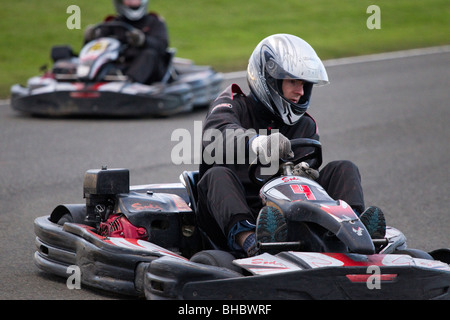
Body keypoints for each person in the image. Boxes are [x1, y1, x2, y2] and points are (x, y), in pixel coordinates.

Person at [196, 34, 386, 256]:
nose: (300, 91)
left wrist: (305, 175)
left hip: (285, 213)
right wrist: (258, 143)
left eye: (304, 84)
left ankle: (352, 234)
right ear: (268, 79)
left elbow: (306, 186)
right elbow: (216, 134)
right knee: (216, 175)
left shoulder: (304, 125)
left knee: (343, 168)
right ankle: (252, 243)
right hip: (231, 213)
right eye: (293, 82)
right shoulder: (232, 104)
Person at [84, 0, 169, 84]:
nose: (132, 1)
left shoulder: (154, 22)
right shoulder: (113, 23)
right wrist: (91, 38)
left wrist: (143, 40)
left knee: (149, 54)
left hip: (148, 70)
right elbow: (95, 49)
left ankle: (129, 83)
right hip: (121, 67)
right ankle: (85, 78)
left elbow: (162, 46)